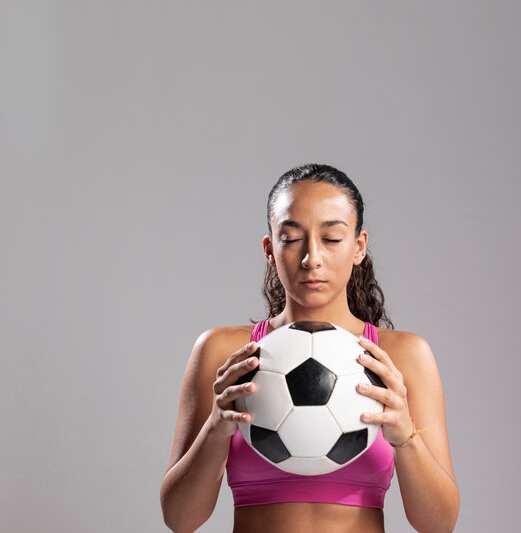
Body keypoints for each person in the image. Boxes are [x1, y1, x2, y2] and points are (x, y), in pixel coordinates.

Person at [160, 163, 460, 533]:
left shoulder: (403, 357)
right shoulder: (224, 352)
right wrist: (214, 430)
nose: (312, 258)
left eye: (332, 238)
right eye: (291, 238)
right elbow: (179, 519)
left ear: (358, 246)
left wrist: (405, 437)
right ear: (270, 248)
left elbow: (439, 524)